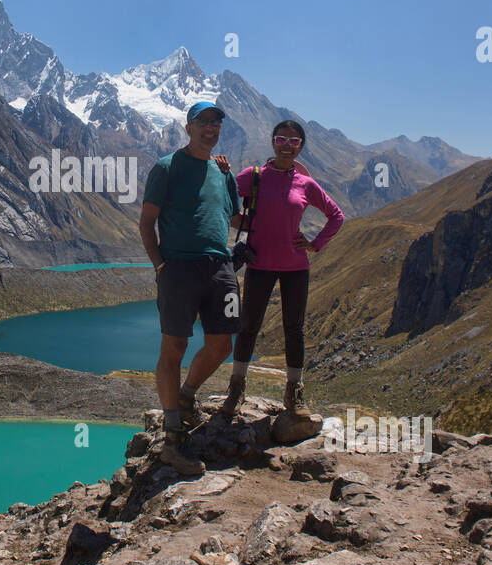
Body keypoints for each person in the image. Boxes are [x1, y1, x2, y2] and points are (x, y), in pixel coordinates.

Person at [139, 102, 241, 476]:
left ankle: (185, 397)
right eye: (204, 122)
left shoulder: (222, 170)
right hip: (178, 269)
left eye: (216, 122)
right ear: (189, 127)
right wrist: (160, 265)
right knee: (174, 346)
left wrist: (282, 193)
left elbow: (234, 217)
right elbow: (147, 222)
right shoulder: (166, 168)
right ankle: (172, 437)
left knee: (222, 344)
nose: (210, 128)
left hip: (221, 268)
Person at [219, 119, 343, 420]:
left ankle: (295, 392)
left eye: (294, 141)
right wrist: (222, 173)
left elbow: (335, 216)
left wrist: (315, 244)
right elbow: (225, 199)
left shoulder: (307, 184)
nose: (287, 145)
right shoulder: (254, 176)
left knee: (294, 330)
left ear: (301, 146)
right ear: (273, 142)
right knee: (248, 327)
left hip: (295, 267)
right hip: (260, 263)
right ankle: (236, 388)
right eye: (282, 139)